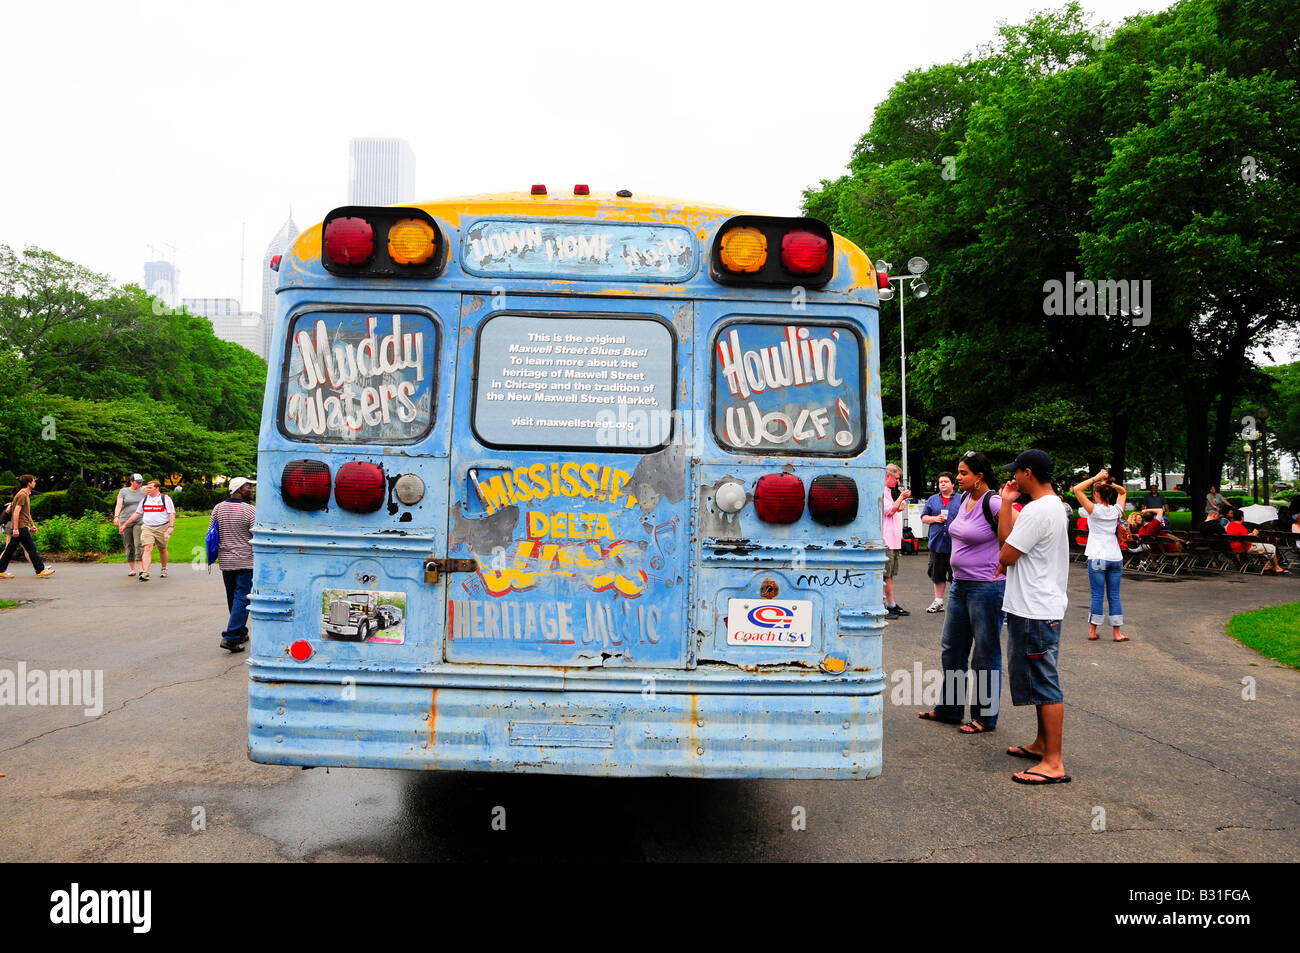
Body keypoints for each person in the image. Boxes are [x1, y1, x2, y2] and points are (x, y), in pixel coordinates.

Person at [997, 449, 1071, 785]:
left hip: (1035, 608)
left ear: (1028, 473)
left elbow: (1006, 552)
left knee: (1044, 681)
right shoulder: (1053, 506)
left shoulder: (1037, 511)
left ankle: (1054, 762)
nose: (1013, 477)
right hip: (1040, 605)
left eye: (1017, 472)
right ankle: (1042, 744)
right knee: (1039, 678)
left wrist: (1005, 505)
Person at [918, 451, 1005, 732]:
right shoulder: (967, 498)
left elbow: (1014, 535)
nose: (957, 477)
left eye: (963, 473)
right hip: (960, 585)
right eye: (958, 472)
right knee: (952, 649)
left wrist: (1004, 564)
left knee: (985, 653)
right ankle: (950, 709)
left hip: (986, 588)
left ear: (979, 476)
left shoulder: (995, 502)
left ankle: (985, 717)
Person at [1073, 469, 1129, 642]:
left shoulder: (1093, 510)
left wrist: (1096, 478)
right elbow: (1123, 491)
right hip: (1115, 557)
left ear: (1096, 494)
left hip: (1097, 556)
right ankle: (1117, 633)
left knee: (1097, 595)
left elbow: (1077, 489)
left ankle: (1092, 631)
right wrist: (1110, 483)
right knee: (1114, 595)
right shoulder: (1116, 511)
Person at [212, 477, 257, 652]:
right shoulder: (250, 510)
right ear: (238, 489)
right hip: (246, 560)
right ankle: (230, 637)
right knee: (243, 597)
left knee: (233, 597)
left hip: (226, 560)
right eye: (248, 487)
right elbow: (256, 535)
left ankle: (240, 631)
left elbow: (212, 532)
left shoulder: (218, 508)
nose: (251, 490)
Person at [919, 471, 961, 612]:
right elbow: (923, 517)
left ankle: (958, 603)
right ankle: (938, 601)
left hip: (956, 544)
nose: (942, 484)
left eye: (946, 481)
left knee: (957, 575)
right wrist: (934, 519)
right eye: (941, 482)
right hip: (937, 543)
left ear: (952, 484)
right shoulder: (932, 500)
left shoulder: (961, 499)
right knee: (937, 574)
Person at [0, 475, 56, 579]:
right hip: (20, 527)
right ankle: (40, 570)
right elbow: (16, 512)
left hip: (23, 526)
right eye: (34, 481)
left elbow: (27, 513)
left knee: (10, 549)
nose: (35, 483)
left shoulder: (25, 494)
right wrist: (16, 529)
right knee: (31, 548)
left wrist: (32, 525)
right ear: (29, 483)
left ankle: (0, 570)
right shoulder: (22, 494)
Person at [120, 480, 175, 581]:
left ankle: (164, 568)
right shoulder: (145, 499)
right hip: (147, 527)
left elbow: (171, 513)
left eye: (150, 488)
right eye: (147, 488)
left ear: (157, 488)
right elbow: (137, 513)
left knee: (162, 548)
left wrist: (171, 526)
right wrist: (125, 524)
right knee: (147, 548)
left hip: (163, 527)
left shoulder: (165, 499)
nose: (147, 489)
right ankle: (145, 572)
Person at [882, 463, 911, 618]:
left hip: (892, 539)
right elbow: (889, 510)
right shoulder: (881, 491)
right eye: (897, 478)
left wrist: (899, 500)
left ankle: (891, 603)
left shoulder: (889, 492)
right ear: (888, 476)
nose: (897, 482)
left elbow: (896, 508)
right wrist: (901, 497)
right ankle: (883, 604)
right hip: (885, 539)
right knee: (884, 574)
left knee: (889, 574)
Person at [1225, 508, 1288, 574]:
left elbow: (1240, 536)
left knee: (1260, 548)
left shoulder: (1230, 525)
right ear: (1242, 517)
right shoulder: (1241, 527)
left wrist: (1250, 534)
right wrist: (1254, 535)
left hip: (1234, 547)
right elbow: (1248, 542)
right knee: (1271, 547)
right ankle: (1277, 567)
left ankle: (1266, 565)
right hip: (1244, 548)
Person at [113, 473, 147, 578]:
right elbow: (119, 505)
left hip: (139, 520)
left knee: (138, 543)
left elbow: (155, 491)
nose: (140, 484)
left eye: (141, 482)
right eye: (138, 482)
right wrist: (116, 516)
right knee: (128, 544)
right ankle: (132, 569)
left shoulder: (144, 490)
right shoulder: (123, 491)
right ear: (131, 481)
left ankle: (142, 569)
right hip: (125, 520)